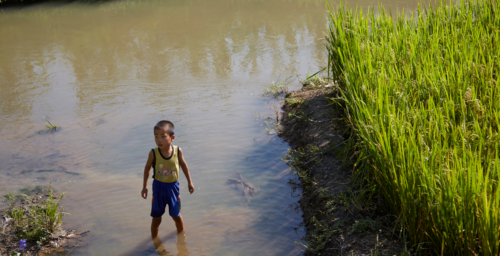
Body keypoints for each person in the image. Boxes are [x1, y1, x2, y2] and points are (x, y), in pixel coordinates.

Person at [141, 120, 195, 239]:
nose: (158, 140)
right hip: (158, 188)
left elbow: (184, 166)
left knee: (176, 216)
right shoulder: (153, 153)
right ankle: (154, 241)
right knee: (156, 218)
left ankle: (182, 242)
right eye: (156, 136)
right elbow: (147, 168)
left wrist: (190, 182)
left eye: (163, 136)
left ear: (172, 137)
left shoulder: (177, 151)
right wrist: (145, 187)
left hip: (173, 188)